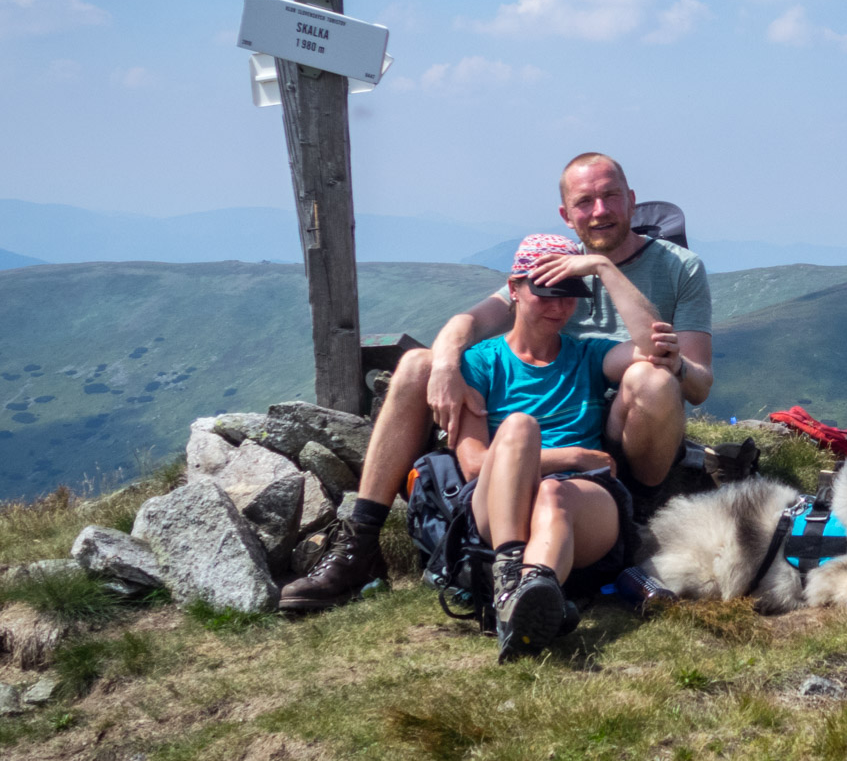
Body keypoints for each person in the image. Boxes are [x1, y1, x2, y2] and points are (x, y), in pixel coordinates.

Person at [278, 152, 713, 614]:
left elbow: (688, 375)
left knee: (653, 377)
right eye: (585, 202)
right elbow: (469, 321)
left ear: (631, 201)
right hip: (538, 428)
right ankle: (359, 544)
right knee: (417, 367)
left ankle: (638, 515)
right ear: (567, 216)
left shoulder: (676, 267)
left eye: (610, 197)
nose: (600, 211)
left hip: (623, 424)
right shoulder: (550, 265)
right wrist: (446, 367)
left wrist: (604, 272)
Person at [454, 233, 660, 660]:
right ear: (514, 289)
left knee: (553, 492)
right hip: (499, 505)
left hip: (581, 503)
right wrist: (572, 457)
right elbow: (474, 464)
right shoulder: (479, 363)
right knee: (519, 427)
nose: (558, 306)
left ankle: (521, 598)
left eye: (569, 294)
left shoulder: (588, 356)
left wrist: (603, 268)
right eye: (544, 293)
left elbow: (655, 349)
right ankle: (517, 582)